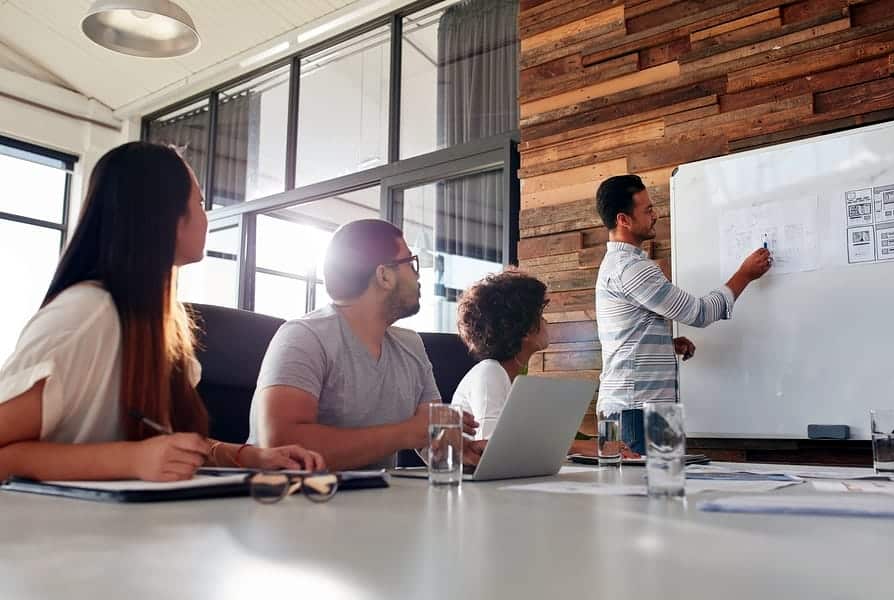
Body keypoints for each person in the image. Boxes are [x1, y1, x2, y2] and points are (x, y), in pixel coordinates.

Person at [0, 142, 324, 482]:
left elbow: (165, 444)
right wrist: (131, 460)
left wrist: (249, 456)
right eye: (199, 202)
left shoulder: (161, 323)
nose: (205, 216)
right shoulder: (86, 314)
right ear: (165, 215)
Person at [249, 219, 484, 471]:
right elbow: (281, 445)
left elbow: (427, 432)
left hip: (376, 501)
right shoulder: (303, 337)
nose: (417, 275)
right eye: (410, 262)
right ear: (384, 275)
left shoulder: (411, 345)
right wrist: (405, 433)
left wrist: (457, 449)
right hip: (294, 501)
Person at [594, 174, 771, 453]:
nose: (656, 215)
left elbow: (629, 333)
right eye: (648, 210)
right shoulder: (630, 269)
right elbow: (700, 313)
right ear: (623, 220)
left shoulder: (623, 265)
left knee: (664, 491)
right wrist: (744, 275)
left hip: (643, 408)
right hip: (637, 410)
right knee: (652, 493)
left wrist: (665, 345)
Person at [452, 270, 549, 440]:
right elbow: (489, 448)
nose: (546, 321)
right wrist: (573, 446)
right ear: (525, 328)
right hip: (470, 467)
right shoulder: (490, 372)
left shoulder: (513, 376)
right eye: (540, 315)